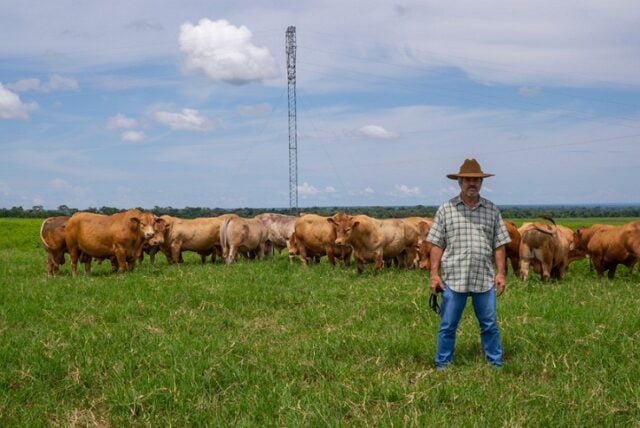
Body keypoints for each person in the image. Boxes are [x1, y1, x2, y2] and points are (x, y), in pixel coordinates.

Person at [426, 158, 511, 369]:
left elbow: (499, 245)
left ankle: (495, 363)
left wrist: (500, 274)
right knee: (447, 325)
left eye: (476, 180)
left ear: (481, 182)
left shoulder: (491, 209)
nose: (472, 183)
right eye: (467, 180)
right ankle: (443, 364)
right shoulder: (446, 209)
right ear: (459, 182)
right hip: (454, 278)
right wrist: (434, 275)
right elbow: (436, 244)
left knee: (489, 325)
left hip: (484, 278)